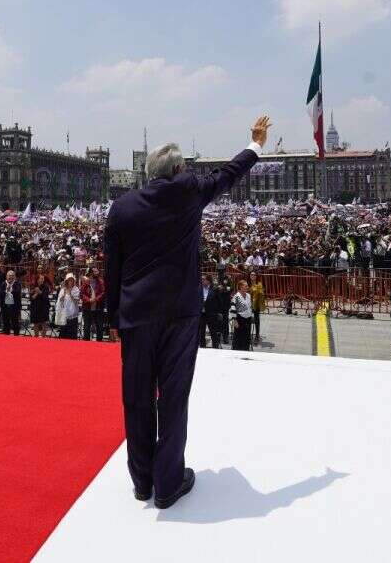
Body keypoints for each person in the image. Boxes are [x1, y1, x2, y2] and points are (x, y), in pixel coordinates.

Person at [105, 115, 269, 510]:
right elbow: (228, 175)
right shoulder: (189, 192)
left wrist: (114, 318)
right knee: (173, 397)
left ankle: (142, 481)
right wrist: (255, 143)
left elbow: (111, 268)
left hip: (136, 317)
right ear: (179, 170)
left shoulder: (122, 208)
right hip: (179, 314)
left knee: (137, 398)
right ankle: (168, 483)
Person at [81, 267, 105, 341]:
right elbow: (81, 294)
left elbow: (103, 293)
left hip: (98, 307)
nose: (94, 273)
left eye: (95, 271)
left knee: (99, 327)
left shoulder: (101, 281)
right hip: (87, 307)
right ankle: (86, 344)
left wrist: (96, 299)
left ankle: (99, 344)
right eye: (92, 271)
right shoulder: (85, 281)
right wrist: (89, 300)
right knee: (87, 327)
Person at [56, 273, 81, 339]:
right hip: (64, 317)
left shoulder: (76, 289)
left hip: (73, 317)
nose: (70, 281)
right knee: (63, 337)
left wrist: (70, 294)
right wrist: (63, 294)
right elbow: (60, 301)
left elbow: (76, 301)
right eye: (69, 280)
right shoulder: (63, 289)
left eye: (71, 280)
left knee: (72, 337)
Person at [231, 279, 254, 351]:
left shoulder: (248, 296)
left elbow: (250, 307)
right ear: (241, 287)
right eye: (246, 286)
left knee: (247, 336)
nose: (247, 287)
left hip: (248, 319)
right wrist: (235, 320)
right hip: (239, 319)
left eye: (247, 286)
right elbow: (233, 308)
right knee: (238, 337)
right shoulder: (236, 297)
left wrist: (251, 315)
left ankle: (246, 350)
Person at [1, 269, 22, 335]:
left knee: (15, 324)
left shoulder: (17, 283)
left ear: (15, 276)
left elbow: (18, 292)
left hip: (14, 307)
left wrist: (10, 289)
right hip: (5, 307)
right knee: (6, 324)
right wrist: (5, 291)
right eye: (9, 275)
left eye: (12, 275)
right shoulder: (3, 283)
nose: (11, 277)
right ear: (6, 276)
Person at [249, 273, 265, 345]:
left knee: (256, 319)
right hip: (248, 304)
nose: (252, 276)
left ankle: (257, 335)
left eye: (254, 275)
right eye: (251, 275)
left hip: (256, 304)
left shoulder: (259, 284)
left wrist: (260, 292)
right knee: (247, 319)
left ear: (256, 276)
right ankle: (248, 334)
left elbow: (261, 294)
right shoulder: (247, 283)